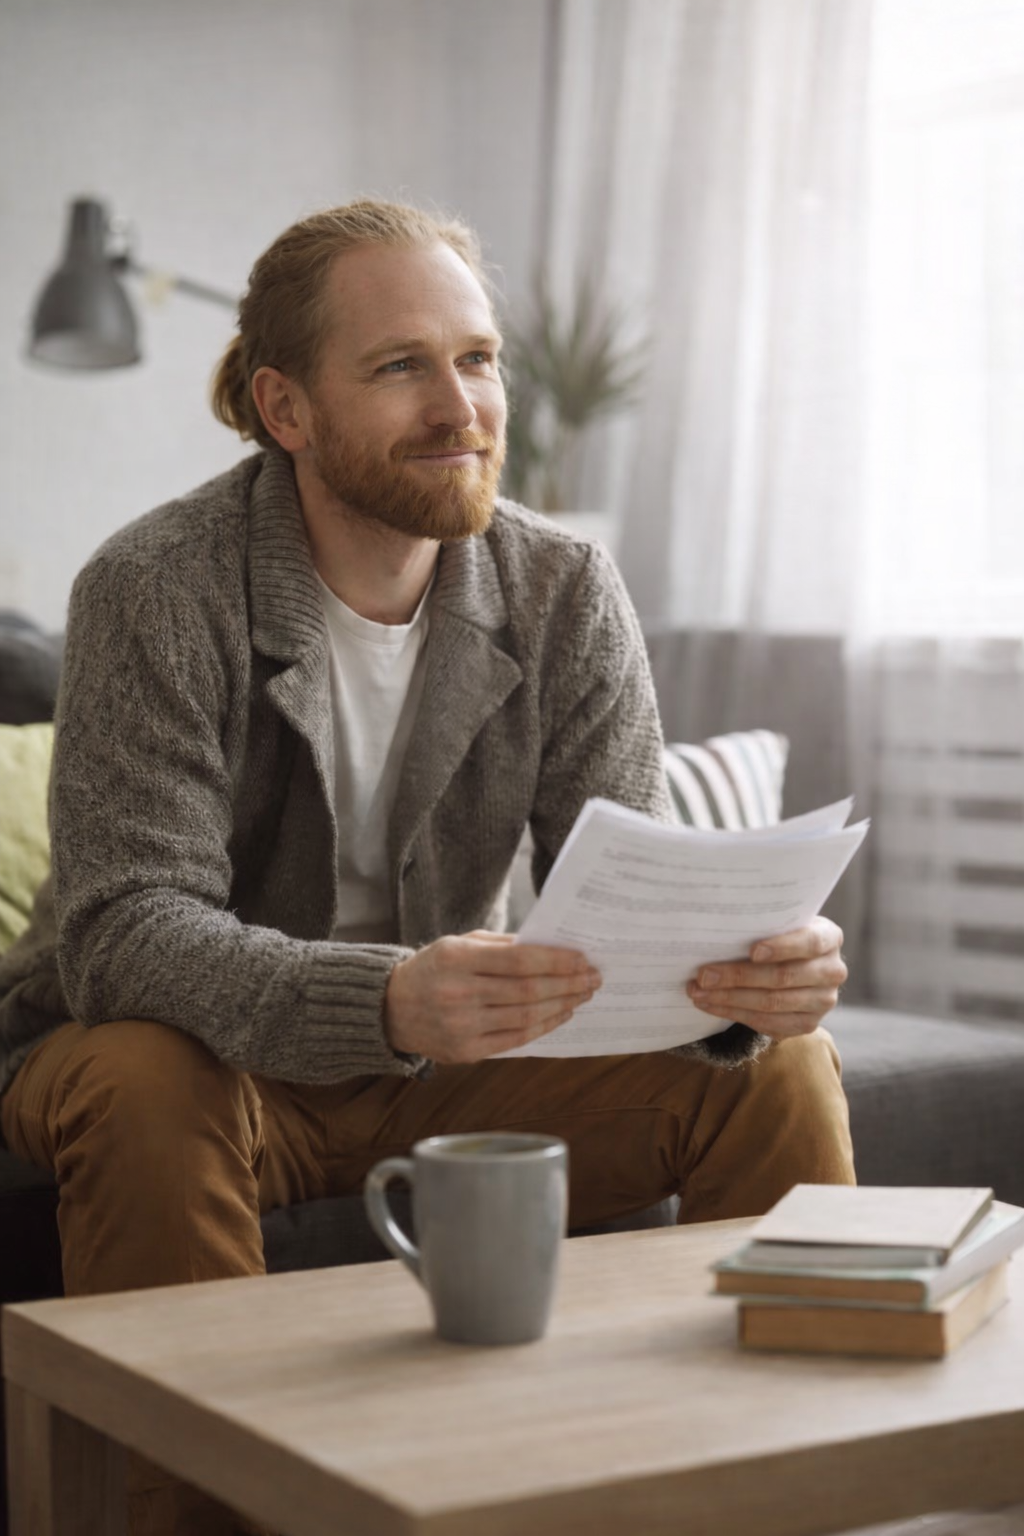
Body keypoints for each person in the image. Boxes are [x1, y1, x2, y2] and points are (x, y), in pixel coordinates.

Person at [0, 199, 851, 1531]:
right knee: (140, 1080)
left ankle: (794, 1486)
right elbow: (125, 932)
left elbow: (624, 895)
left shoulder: (565, 589)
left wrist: (741, 970)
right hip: (200, 1063)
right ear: (286, 408)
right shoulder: (155, 587)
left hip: (446, 1064)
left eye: (477, 357)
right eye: (401, 366)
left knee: (774, 1059)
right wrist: (388, 999)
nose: (462, 404)